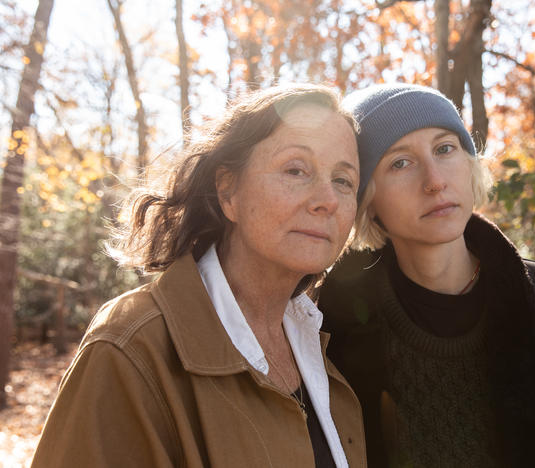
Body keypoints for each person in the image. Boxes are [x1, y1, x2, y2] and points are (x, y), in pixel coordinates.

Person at [318, 83, 535, 468]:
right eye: (399, 163)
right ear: (366, 199)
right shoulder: (325, 335)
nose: (435, 180)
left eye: (445, 149)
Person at [31, 84, 366, 468]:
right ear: (228, 191)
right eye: (296, 169)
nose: (326, 199)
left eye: (343, 180)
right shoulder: (131, 348)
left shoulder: (325, 351)